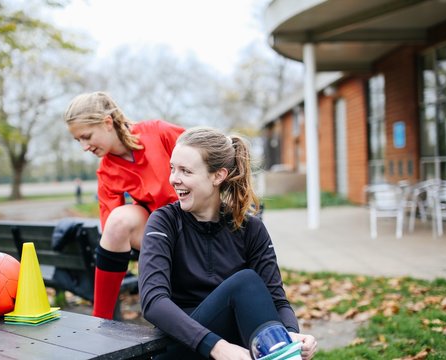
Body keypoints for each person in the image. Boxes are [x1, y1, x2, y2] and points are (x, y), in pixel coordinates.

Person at [139, 127, 317, 359]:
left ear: (218, 176)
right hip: (181, 346)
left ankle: (283, 352)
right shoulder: (164, 222)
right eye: (173, 168)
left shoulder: (250, 229)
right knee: (245, 282)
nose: (174, 179)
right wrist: (217, 346)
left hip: (238, 348)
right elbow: (153, 302)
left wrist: (291, 335)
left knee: (251, 290)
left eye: (185, 171)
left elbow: (277, 301)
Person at [64, 91, 185, 319]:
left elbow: (208, 158)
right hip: (166, 234)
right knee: (119, 220)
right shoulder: (106, 170)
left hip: (201, 220)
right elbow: (111, 231)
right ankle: (102, 319)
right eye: (78, 140)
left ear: (107, 123)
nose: (84, 146)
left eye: (87, 136)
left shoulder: (159, 132)